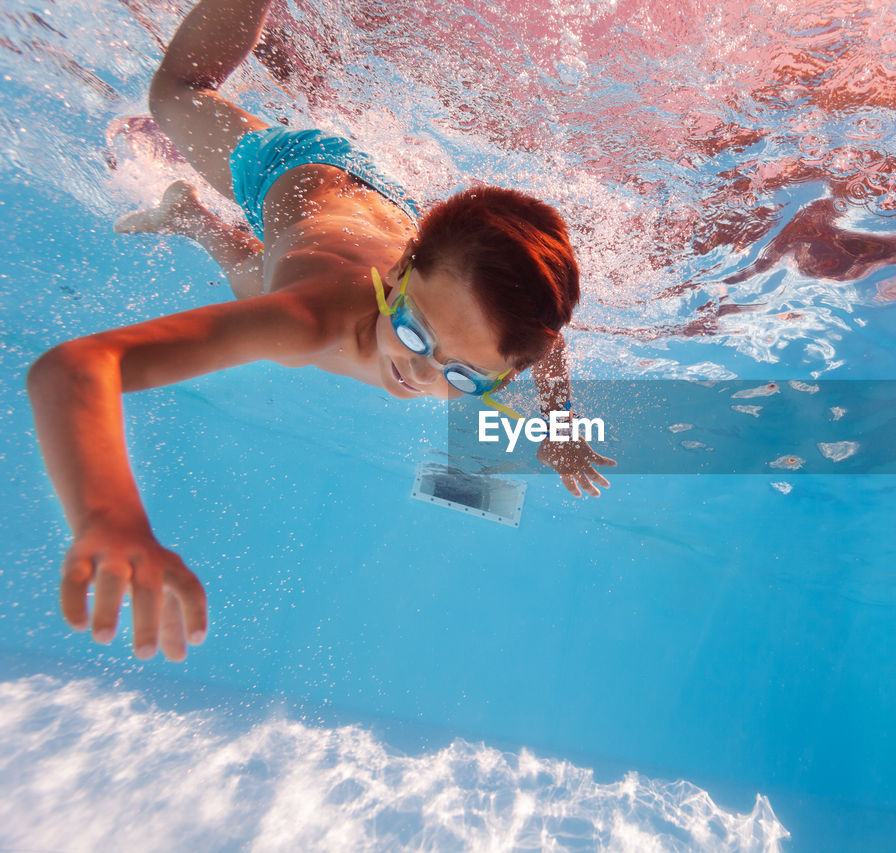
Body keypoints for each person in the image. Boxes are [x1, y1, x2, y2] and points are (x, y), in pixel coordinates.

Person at [26, 0, 615, 663]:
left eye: (459, 374)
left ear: (498, 375)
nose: (422, 374)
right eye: (416, 335)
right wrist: (108, 516)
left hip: (374, 217)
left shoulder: (474, 335)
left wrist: (559, 428)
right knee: (174, 97)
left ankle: (188, 215)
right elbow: (78, 366)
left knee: (257, 283)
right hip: (296, 173)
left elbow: (551, 345)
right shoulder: (312, 318)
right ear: (392, 283)